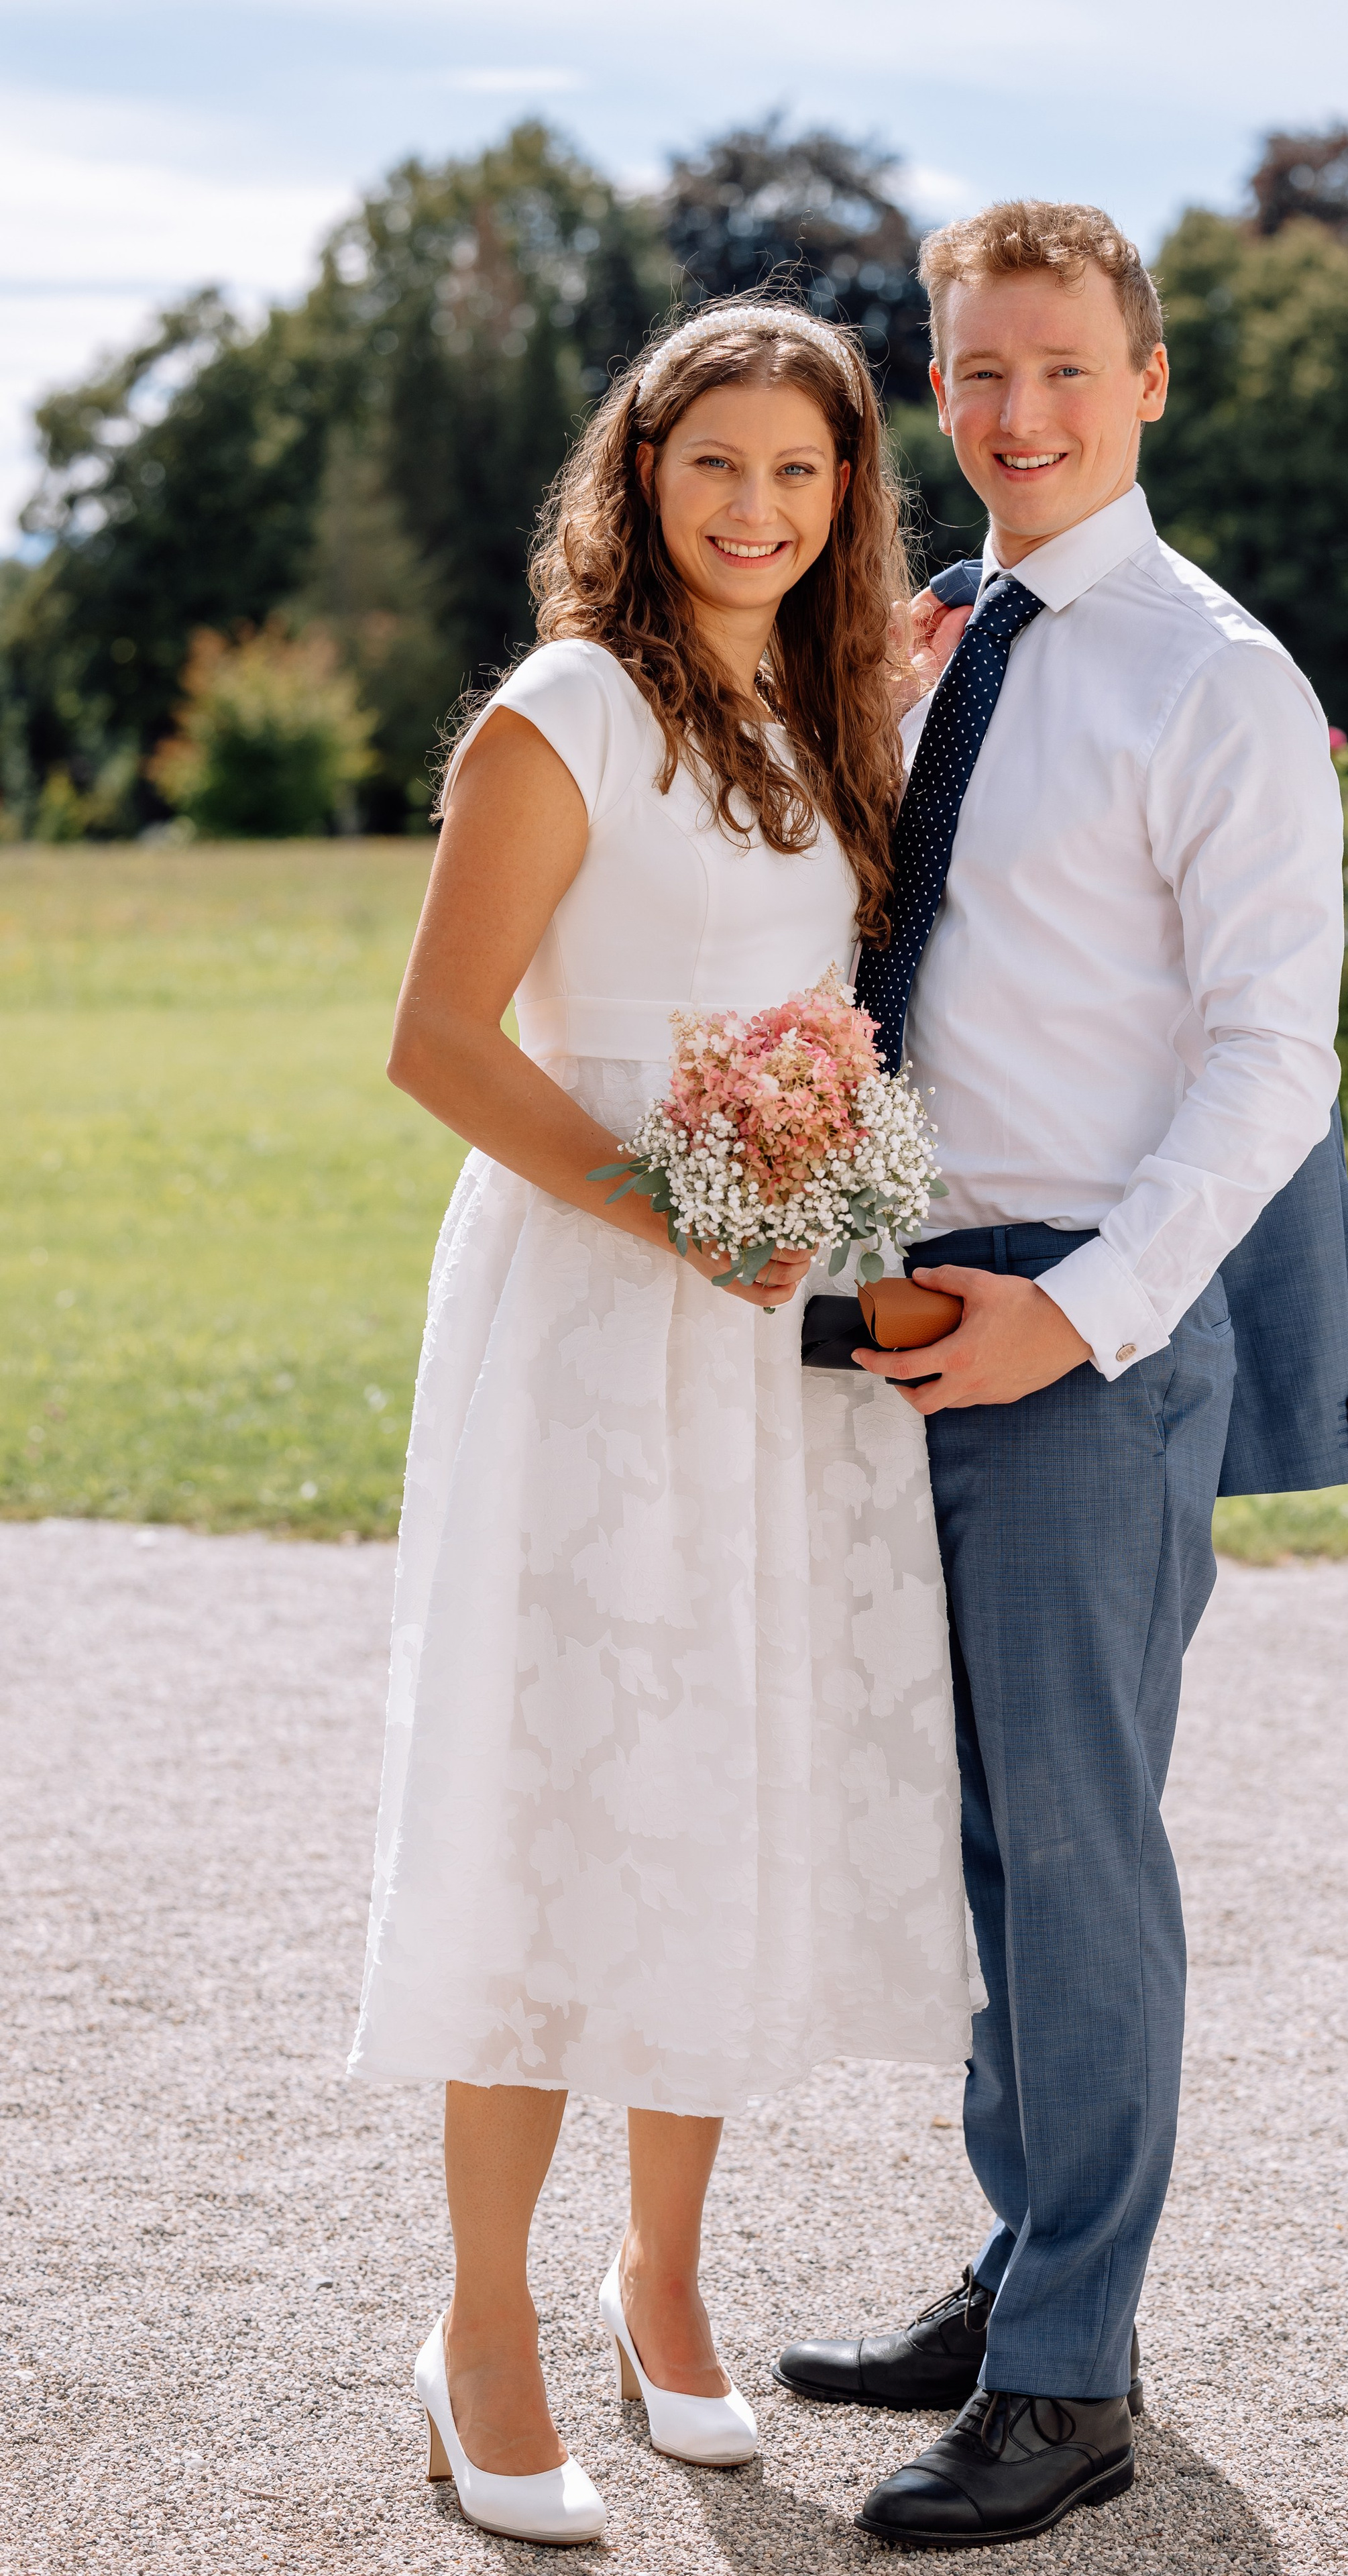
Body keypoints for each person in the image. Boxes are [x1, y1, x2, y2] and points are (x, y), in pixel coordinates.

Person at [774, 201, 1348, 2550]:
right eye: (974, 371)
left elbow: (1273, 1065)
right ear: (938, 387)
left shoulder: (1212, 676)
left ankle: (1070, 2379)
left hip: (1084, 1322)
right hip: (910, 1301)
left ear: (1148, 382)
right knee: (984, 1837)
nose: (1015, 413)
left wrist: (1082, 1309)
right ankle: (1024, 2265)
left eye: (1061, 369)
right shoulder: (936, 657)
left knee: (1081, 1847)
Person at [347, 299, 976, 2547]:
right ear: (641, 473)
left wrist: (797, 1214)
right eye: (718, 464)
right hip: (595, 1319)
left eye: (803, 474)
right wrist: (665, 1206)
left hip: (766, 1325)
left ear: (844, 500)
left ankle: (663, 2284)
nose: (758, 509)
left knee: (720, 1788)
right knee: (556, 1791)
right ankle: (480, 2329)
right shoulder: (570, 710)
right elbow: (437, 1041)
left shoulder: (827, 719)